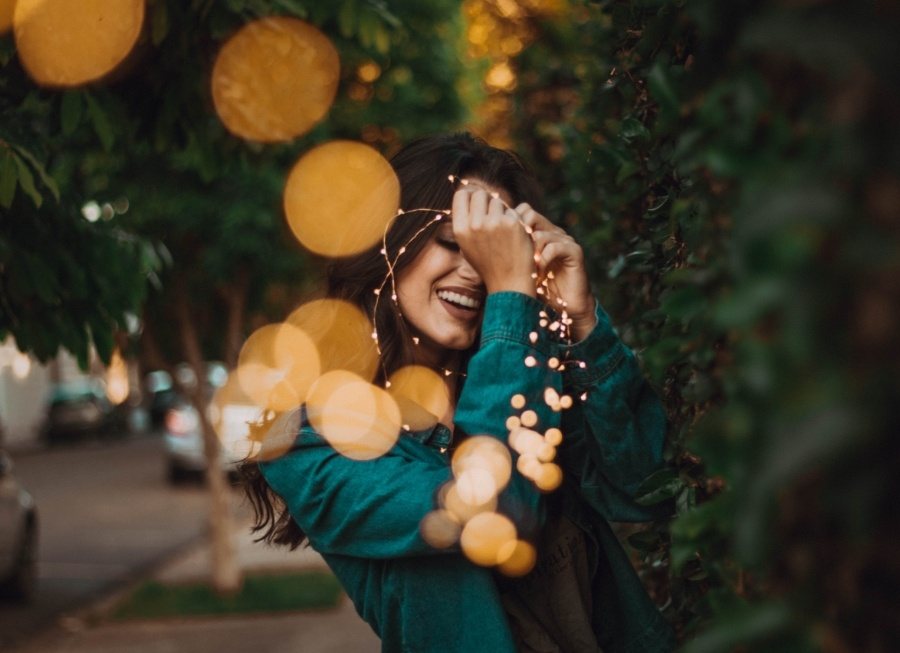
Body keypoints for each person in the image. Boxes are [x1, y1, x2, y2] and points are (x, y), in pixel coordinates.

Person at [242, 133, 675, 652]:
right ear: (388, 242)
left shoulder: (529, 374)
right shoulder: (313, 439)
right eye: (453, 242)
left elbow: (647, 488)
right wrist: (513, 295)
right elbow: (493, 509)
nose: (476, 272)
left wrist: (582, 323)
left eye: (495, 254)